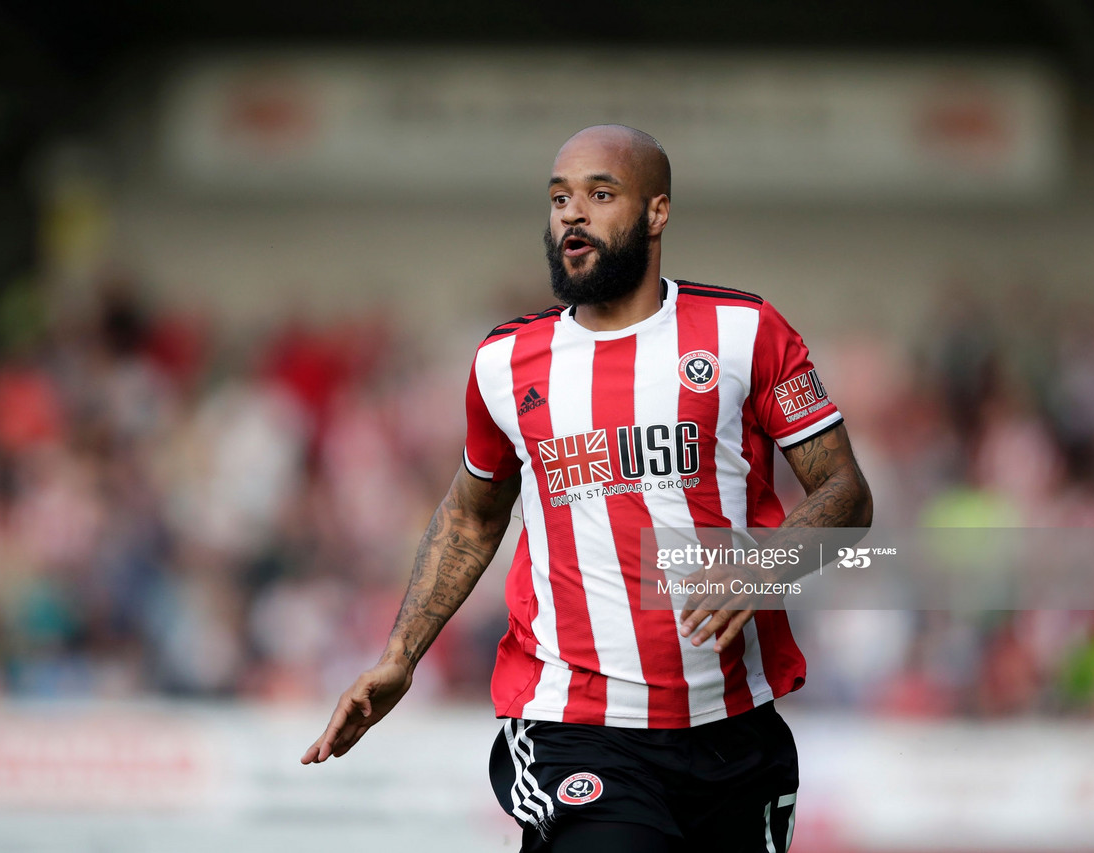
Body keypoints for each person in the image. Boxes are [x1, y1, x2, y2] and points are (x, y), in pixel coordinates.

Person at [302, 125, 873, 853]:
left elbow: (848, 496)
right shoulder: (504, 363)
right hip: (578, 729)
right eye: (559, 198)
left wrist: (763, 562)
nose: (572, 213)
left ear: (657, 212)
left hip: (733, 735)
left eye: (600, 195)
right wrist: (400, 654)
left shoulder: (744, 332)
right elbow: (473, 517)